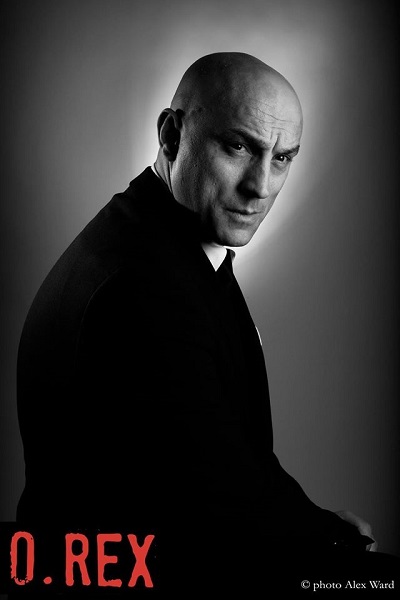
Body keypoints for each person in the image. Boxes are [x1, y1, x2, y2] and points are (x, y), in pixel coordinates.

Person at [15, 52, 398, 596]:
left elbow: (225, 455)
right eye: (238, 147)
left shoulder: (158, 237)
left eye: (281, 158)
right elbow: (218, 497)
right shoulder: (146, 288)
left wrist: (314, 524)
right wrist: (331, 543)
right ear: (172, 136)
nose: (260, 186)